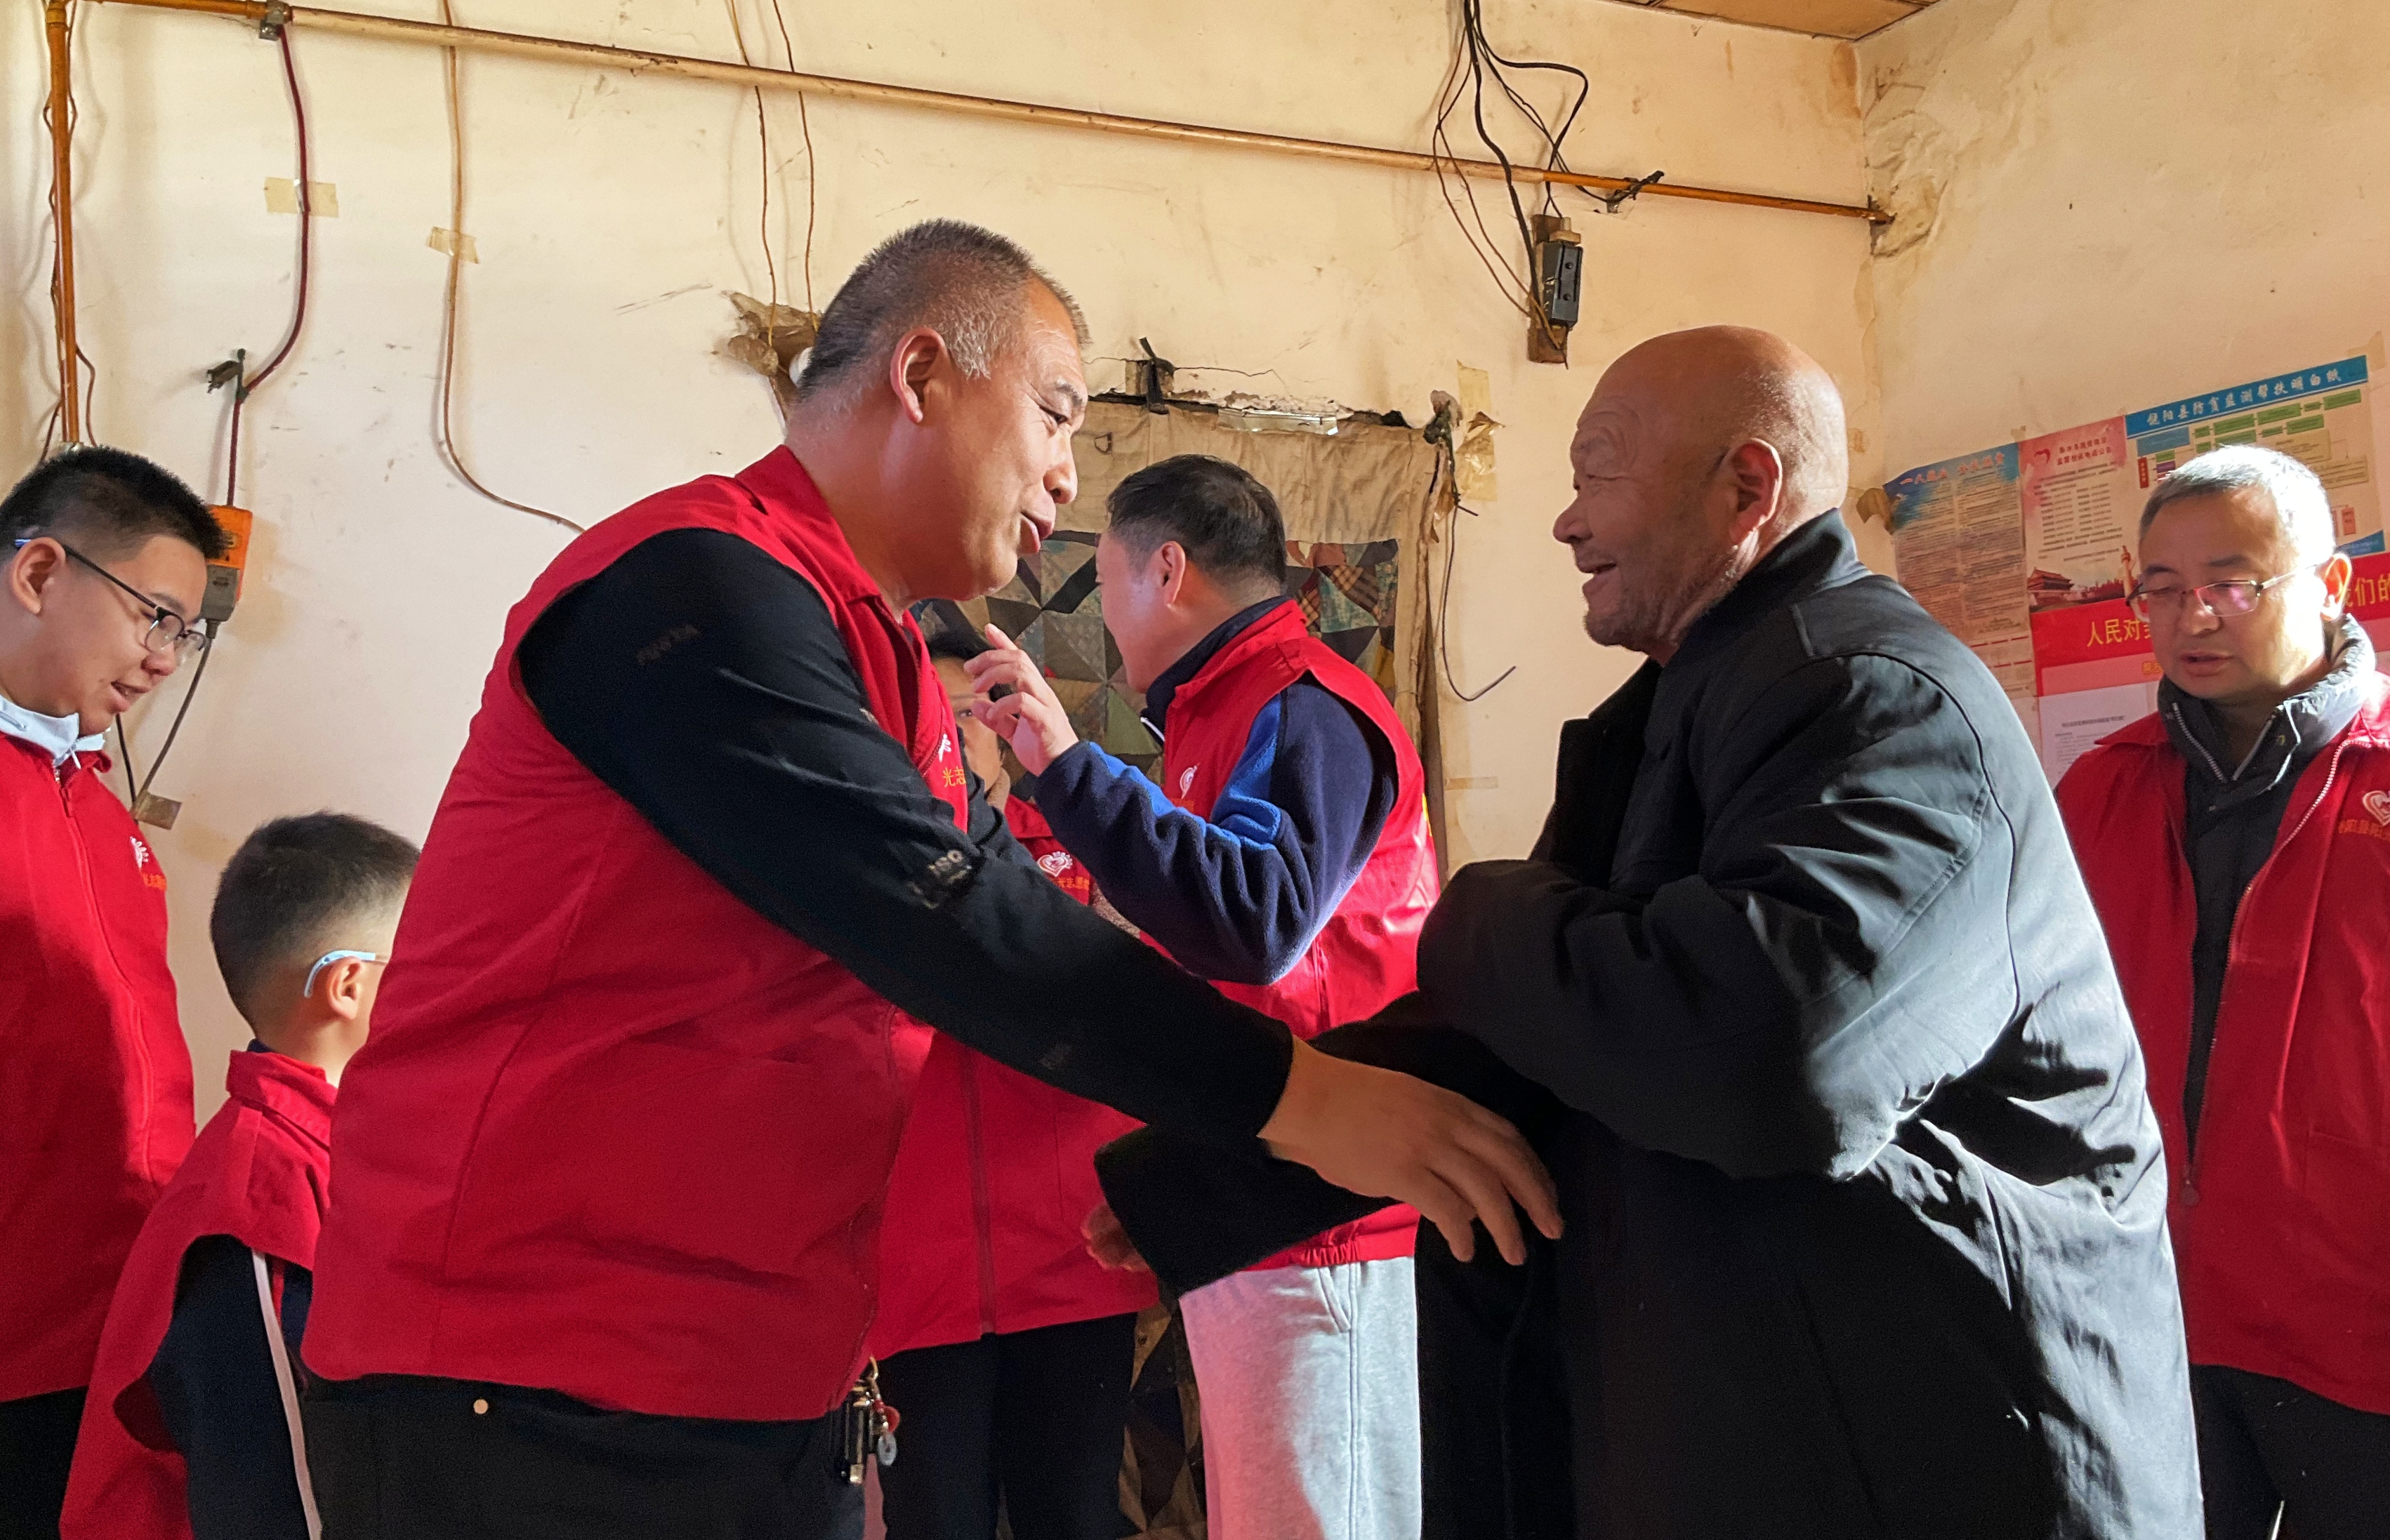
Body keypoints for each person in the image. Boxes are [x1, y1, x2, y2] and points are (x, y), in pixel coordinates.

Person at [301, 220, 1557, 1540]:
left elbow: (1011, 909)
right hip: (532, 1375)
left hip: (750, 1360)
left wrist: (1217, 1160)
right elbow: (951, 914)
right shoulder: (694, 583)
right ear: (921, 375)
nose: (1067, 475)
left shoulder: (895, 659)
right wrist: (1304, 1099)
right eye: (1056, 415)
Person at [1089, 326, 2204, 1539]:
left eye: (1597, 475)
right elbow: (1533, 1035)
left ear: (1745, 487)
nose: (1567, 523)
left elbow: (1770, 1051)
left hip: (1938, 1434)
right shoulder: (1696, 697)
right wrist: (1207, 1174)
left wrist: (1476, 910)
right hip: (1762, 1409)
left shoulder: (1880, 696)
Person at [970, 453, 1434, 1540]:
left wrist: (1071, 767)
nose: (1106, 618)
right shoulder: (1220, 709)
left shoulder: (1301, 702)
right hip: (1255, 1183)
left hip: (1323, 1212)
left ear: (1167, 570)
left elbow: (1257, 927)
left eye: (1107, 582)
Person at [2054, 446, 2390, 1540]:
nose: (2193, 616)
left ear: (2330, 583)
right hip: (2151, 1316)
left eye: (2233, 583)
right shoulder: (2100, 789)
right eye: (2161, 587)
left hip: (2360, 1329)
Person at [867, 631, 1156, 1540]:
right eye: (934, 717)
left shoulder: (1084, 849)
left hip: (1076, 1261)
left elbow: (1139, 1007)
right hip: (916, 1274)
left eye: (970, 715)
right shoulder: (857, 872)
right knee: (933, 1518)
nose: (955, 735)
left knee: (1073, 1515)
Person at [59, 814, 418, 1540]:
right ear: (348, 984)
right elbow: (275, 1493)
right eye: (430, 959)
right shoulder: (253, 1211)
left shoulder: (334, 1139)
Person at [0, 448, 227, 1540]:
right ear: (41, 573)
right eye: (153, 616)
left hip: (110, 1319)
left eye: (186, 633)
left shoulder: (97, 807)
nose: (164, 659)